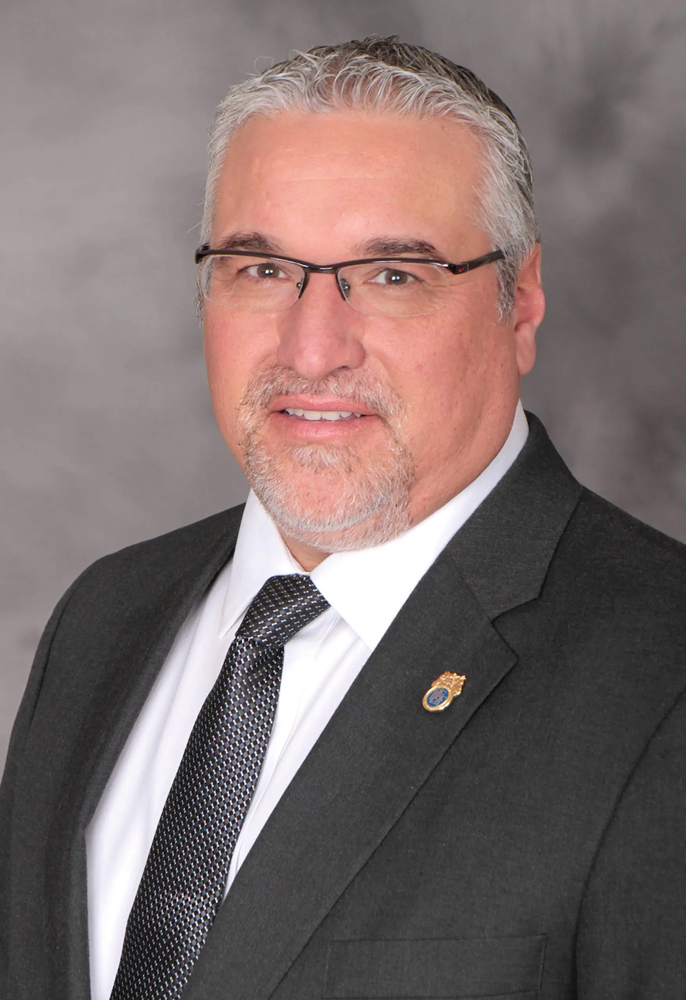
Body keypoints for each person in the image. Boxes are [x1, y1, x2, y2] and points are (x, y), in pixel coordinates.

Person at [1, 35, 685, 1000]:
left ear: (519, 301)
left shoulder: (661, 673)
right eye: (263, 269)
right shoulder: (103, 620)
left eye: (393, 276)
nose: (313, 348)